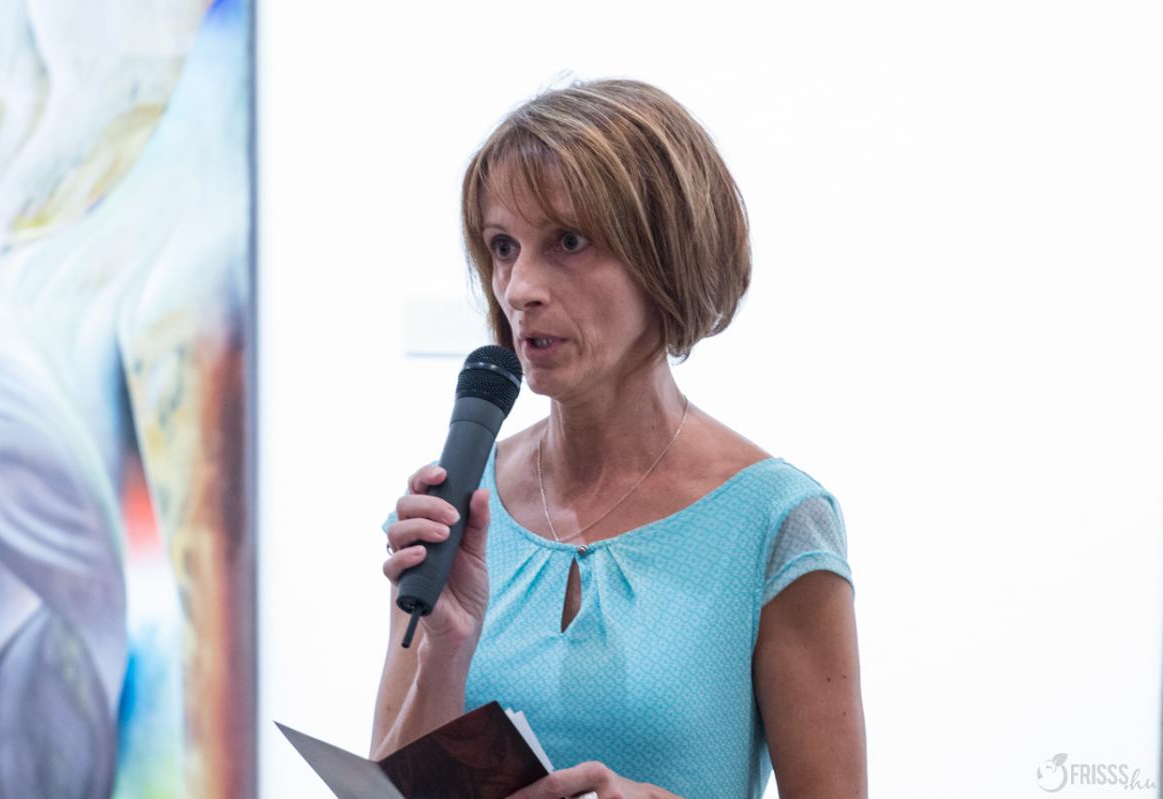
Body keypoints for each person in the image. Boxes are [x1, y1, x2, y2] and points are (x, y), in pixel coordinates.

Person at [371, 78, 866, 799]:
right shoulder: (455, 509)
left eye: (568, 242)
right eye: (504, 246)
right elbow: (386, 789)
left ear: (667, 256)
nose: (519, 287)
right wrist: (445, 649)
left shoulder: (775, 521)